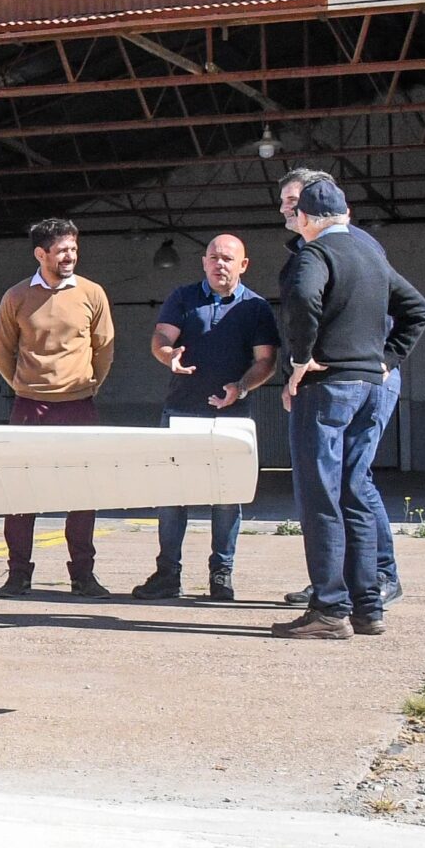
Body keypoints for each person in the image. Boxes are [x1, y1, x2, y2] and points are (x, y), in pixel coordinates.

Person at [273, 179, 425, 638]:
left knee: (320, 495)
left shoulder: (315, 253)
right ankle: (368, 608)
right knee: (354, 492)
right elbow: (417, 308)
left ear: (305, 218)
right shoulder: (371, 254)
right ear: (345, 213)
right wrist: (388, 358)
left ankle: (328, 608)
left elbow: (304, 297)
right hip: (369, 388)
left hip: (327, 388)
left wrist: (301, 358)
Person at [132, 234, 278, 603]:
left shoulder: (256, 307)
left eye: (227, 258)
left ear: (243, 265)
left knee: (227, 498)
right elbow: (161, 337)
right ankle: (168, 574)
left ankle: (221, 575)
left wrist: (241, 387)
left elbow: (266, 361)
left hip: (232, 416)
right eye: (213, 257)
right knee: (172, 497)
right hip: (181, 410)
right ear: (203, 262)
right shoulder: (183, 297)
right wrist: (169, 356)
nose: (219, 264)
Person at [0, 218, 116, 597]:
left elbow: (104, 348)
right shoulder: (16, 296)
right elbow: (1, 352)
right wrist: (23, 386)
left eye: (73, 249)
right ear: (40, 254)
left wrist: (88, 385)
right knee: (20, 493)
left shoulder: (92, 294)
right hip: (29, 408)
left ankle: (83, 575)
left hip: (79, 407)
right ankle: (18, 573)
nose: (70, 256)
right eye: (62, 250)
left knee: (83, 493)